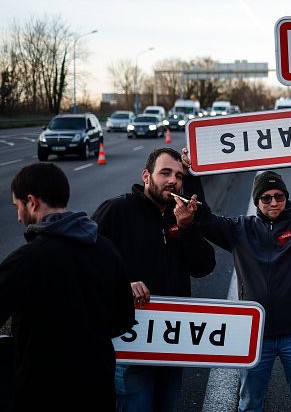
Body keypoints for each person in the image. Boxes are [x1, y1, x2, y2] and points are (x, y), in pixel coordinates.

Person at [179, 138, 291, 412]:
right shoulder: (239, 229)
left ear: (287, 198)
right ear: (257, 201)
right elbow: (203, 218)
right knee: (250, 402)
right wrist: (191, 174)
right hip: (254, 334)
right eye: (266, 197)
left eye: (279, 196)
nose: (273, 201)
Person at [0, 163, 134, 410]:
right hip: (98, 389)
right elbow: (123, 319)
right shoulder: (106, 249)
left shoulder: (26, 259)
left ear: (32, 201)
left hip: (41, 392)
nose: (18, 217)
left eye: (17, 207)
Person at [92, 147, 216, 412]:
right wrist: (122, 286)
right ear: (146, 176)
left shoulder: (180, 213)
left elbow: (204, 266)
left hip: (172, 341)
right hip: (132, 341)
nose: (173, 181)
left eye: (179, 176)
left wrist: (187, 229)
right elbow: (86, 265)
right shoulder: (117, 210)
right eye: (165, 173)